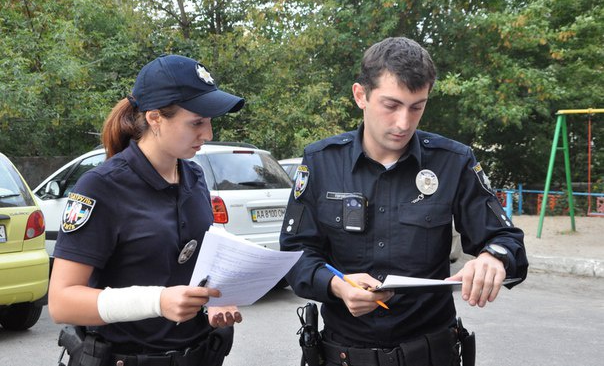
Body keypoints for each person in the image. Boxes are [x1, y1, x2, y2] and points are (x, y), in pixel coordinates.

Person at [280, 37, 528, 366]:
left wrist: (493, 259)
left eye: (416, 107)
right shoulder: (321, 161)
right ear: (360, 95)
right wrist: (338, 285)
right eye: (391, 105)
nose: (404, 123)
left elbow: (506, 239)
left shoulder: (453, 161)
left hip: (430, 353)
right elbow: (295, 255)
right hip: (344, 353)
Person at [48, 54, 245, 366]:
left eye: (209, 122)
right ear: (155, 118)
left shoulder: (193, 176)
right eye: (196, 122)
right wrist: (157, 302)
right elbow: (62, 302)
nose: (207, 135)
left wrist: (218, 298)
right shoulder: (100, 187)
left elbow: (195, 263)